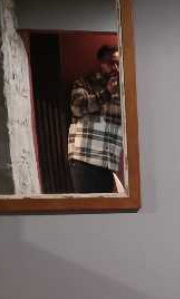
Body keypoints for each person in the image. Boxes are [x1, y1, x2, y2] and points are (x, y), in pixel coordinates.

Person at [68, 45, 122, 193]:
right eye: (111, 63)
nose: (116, 68)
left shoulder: (122, 89)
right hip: (85, 159)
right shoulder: (85, 82)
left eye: (118, 63)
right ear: (101, 63)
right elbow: (77, 107)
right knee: (89, 205)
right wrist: (106, 93)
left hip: (108, 162)